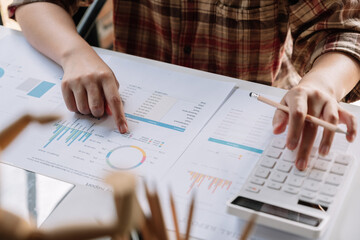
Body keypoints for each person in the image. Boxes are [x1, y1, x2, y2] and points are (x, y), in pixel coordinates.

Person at [8, 0, 360, 171]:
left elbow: (346, 30)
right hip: (134, 113)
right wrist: (73, 53)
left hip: (254, 123)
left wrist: (323, 84)